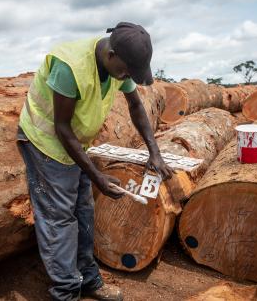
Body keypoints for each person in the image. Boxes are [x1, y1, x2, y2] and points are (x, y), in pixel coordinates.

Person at [17, 21, 174, 301]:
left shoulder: (116, 64)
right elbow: (61, 127)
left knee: (84, 211)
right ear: (111, 54)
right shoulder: (71, 66)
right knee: (59, 218)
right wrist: (96, 176)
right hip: (46, 142)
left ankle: (89, 280)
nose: (126, 76)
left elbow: (135, 105)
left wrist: (155, 152)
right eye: (125, 70)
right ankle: (66, 293)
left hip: (75, 143)